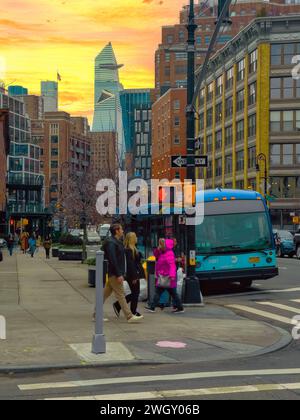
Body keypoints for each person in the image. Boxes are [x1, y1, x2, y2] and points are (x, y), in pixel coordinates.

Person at [102, 224, 143, 323]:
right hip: (115, 274)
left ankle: (96, 314)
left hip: (115, 273)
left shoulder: (116, 242)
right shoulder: (112, 243)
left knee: (103, 296)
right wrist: (119, 274)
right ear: (116, 231)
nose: (123, 231)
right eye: (121, 229)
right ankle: (129, 316)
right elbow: (113, 259)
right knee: (121, 295)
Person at [145, 238, 184, 314]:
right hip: (163, 276)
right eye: (160, 244)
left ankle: (180, 307)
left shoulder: (169, 253)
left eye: (162, 244)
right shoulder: (163, 252)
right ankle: (152, 307)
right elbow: (156, 255)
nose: (160, 245)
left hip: (168, 277)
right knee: (160, 292)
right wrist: (158, 248)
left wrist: (172, 276)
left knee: (172, 293)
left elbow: (172, 265)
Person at [112, 232, 145, 318]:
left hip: (134, 274)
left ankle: (119, 305)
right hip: (132, 275)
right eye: (135, 237)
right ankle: (132, 311)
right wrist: (134, 276)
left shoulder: (132, 249)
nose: (137, 238)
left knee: (135, 293)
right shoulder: (129, 250)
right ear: (132, 239)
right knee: (135, 293)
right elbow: (131, 265)